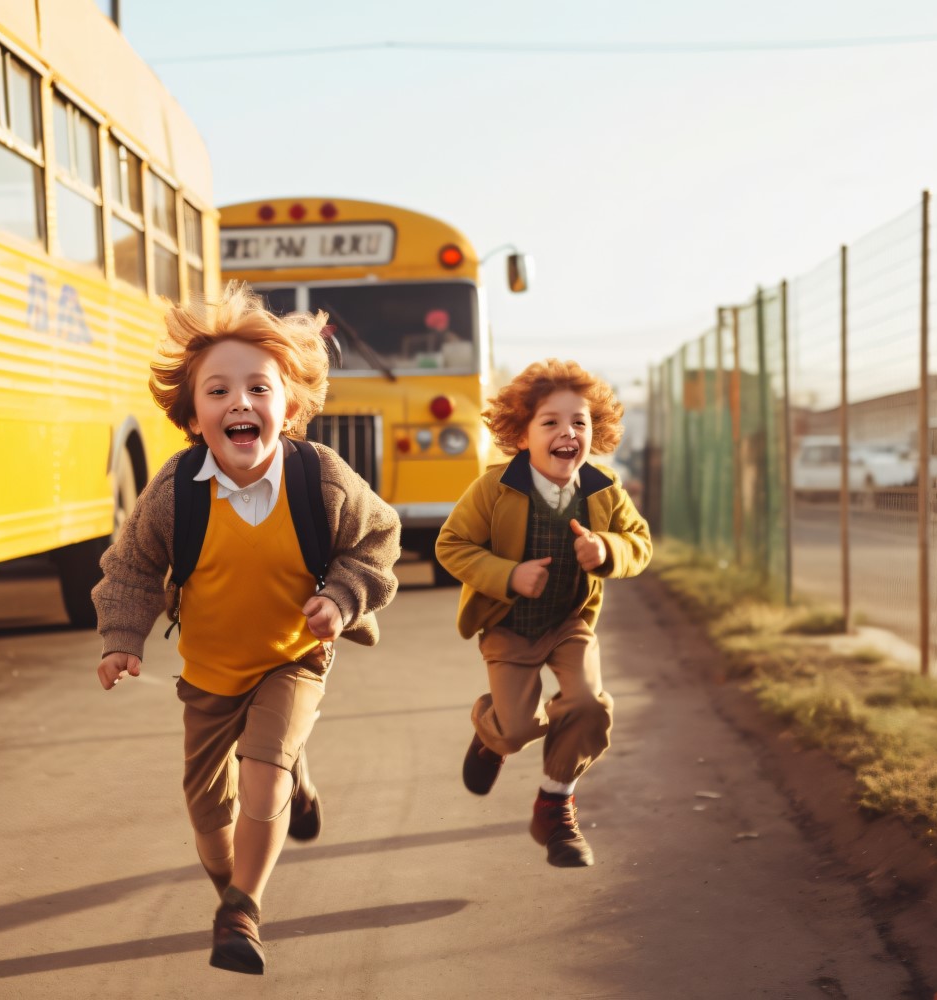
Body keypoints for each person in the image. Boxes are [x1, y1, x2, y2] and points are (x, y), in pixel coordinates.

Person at [92, 282, 401, 975]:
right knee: (209, 814)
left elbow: (378, 539)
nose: (240, 403)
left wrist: (343, 597)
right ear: (192, 412)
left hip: (294, 656)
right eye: (219, 391)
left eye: (259, 389)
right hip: (208, 674)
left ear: (289, 405)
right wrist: (121, 639)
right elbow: (132, 567)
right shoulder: (175, 492)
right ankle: (239, 869)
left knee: (263, 779)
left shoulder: (320, 479)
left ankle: (243, 909)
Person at [435, 358, 651, 868]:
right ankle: (491, 736)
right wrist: (508, 575)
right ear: (522, 434)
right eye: (550, 422)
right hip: (510, 627)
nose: (567, 433)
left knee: (588, 706)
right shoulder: (493, 489)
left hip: (569, 623)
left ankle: (555, 804)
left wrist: (607, 549)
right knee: (517, 728)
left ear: (595, 430)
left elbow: (639, 543)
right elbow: (452, 545)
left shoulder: (603, 489)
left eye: (579, 422)